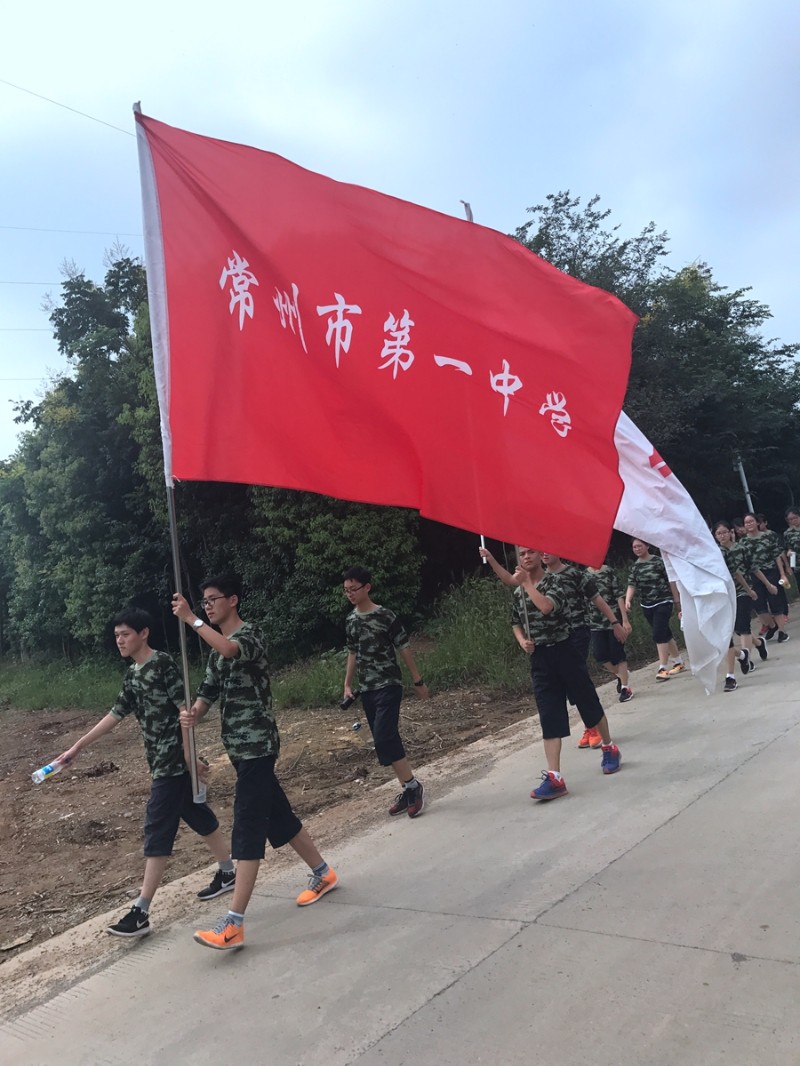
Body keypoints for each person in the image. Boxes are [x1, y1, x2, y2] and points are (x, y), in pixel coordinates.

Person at [173, 573, 338, 951]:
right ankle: (323, 873)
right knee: (279, 815)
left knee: (247, 826)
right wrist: (194, 714)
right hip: (238, 747)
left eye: (213, 599)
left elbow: (231, 651)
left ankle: (233, 923)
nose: (208, 606)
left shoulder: (251, 636)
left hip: (259, 745)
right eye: (204, 602)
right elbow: (208, 689)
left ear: (233, 600)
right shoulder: (217, 649)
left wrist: (190, 619)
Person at [57, 608, 235, 938]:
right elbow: (115, 714)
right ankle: (228, 872)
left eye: (125, 634)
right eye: (116, 636)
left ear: (144, 633)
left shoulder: (163, 664)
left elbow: (185, 710)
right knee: (196, 814)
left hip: (171, 765)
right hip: (160, 762)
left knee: (157, 828)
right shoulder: (133, 674)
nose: (120, 641)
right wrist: (77, 747)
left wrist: (188, 754)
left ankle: (141, 911)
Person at [480, 546, 621, 799]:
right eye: (522, 554)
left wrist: (526, 585)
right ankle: (555, 777)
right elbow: (515, 621)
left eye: (531, 552)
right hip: (540, 658)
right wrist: (521, 640)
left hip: (565, 650)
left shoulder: (555, 582)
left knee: (587, 700)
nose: (526, 557)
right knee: (549, 713)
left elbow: (546, 607)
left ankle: (609, 747)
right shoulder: (518, 592)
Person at [342, 566, 430, 818]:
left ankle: (413, 787)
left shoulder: (385, 616)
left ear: (367, 587)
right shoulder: (351, 621)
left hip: (389, 684)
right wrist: (347, 684)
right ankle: (408, 788)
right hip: (367, 688)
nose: (350, 594)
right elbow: (352, 653)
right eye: (346, 590)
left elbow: (404, 647)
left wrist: (418, 680)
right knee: (386, 741)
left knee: (384, 737)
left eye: (354, 589)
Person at [540, 554, 631, 748]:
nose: (544, 555)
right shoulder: (539, 578)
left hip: (577, 633)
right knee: (569, 684)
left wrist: (615, 622)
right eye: (540, 552)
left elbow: (598, 600)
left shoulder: (575, 574)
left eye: (547, 550)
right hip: (554, 638)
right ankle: (591, 725)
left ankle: (594, 728)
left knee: (577, 682)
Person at [625, 539, 685, 681]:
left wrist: (677, 600)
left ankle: (662, 667)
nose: (637, 549)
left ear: (647, 546)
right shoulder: (635, 567)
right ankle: (678, 661)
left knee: (658, 634)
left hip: (663, 601)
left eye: (640, 546)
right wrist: (628, 599)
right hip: (647, 604)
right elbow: (631, 584)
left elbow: (671, 580)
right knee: (665, 632)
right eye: (634, 547)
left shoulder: (658, 562)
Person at [713, 521, 763, 691]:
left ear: (731, 532)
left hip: (741, 591)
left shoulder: (740, 548)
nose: (722, 536)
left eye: (724, 532)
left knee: (743, 626)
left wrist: (753, 589)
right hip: (723, 595)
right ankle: (757, 644)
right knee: (733, 630)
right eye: (718, 534)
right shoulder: (714, 553)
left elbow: (748, 570)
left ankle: (744, 661)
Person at [585, 559, 634, 707]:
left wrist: (624, 619)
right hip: (595, 622)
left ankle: (626, 688)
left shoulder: (608, 571)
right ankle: (621, 675)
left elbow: (619, 596)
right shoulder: (584, 575)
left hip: (614, 620)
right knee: (599, 655)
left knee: (618, 654)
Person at [742, 512, 790, 642]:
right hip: (754, 576)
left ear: (757, 522)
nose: (749, 524)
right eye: (746, 523)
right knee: (759, 606)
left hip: (770, 572)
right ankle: (772, 626)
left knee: (776, 602)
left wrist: (782, 573)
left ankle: (782, 631)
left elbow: (777, 556)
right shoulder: (743, 542)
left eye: (751, 521)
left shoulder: (768, 537)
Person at [783, 507, 800, 589]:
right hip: (797, 564)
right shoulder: (787, 533)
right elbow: (788, 547)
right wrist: (789, 551)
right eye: (790, 519)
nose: (793, 521)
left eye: (795, 518)